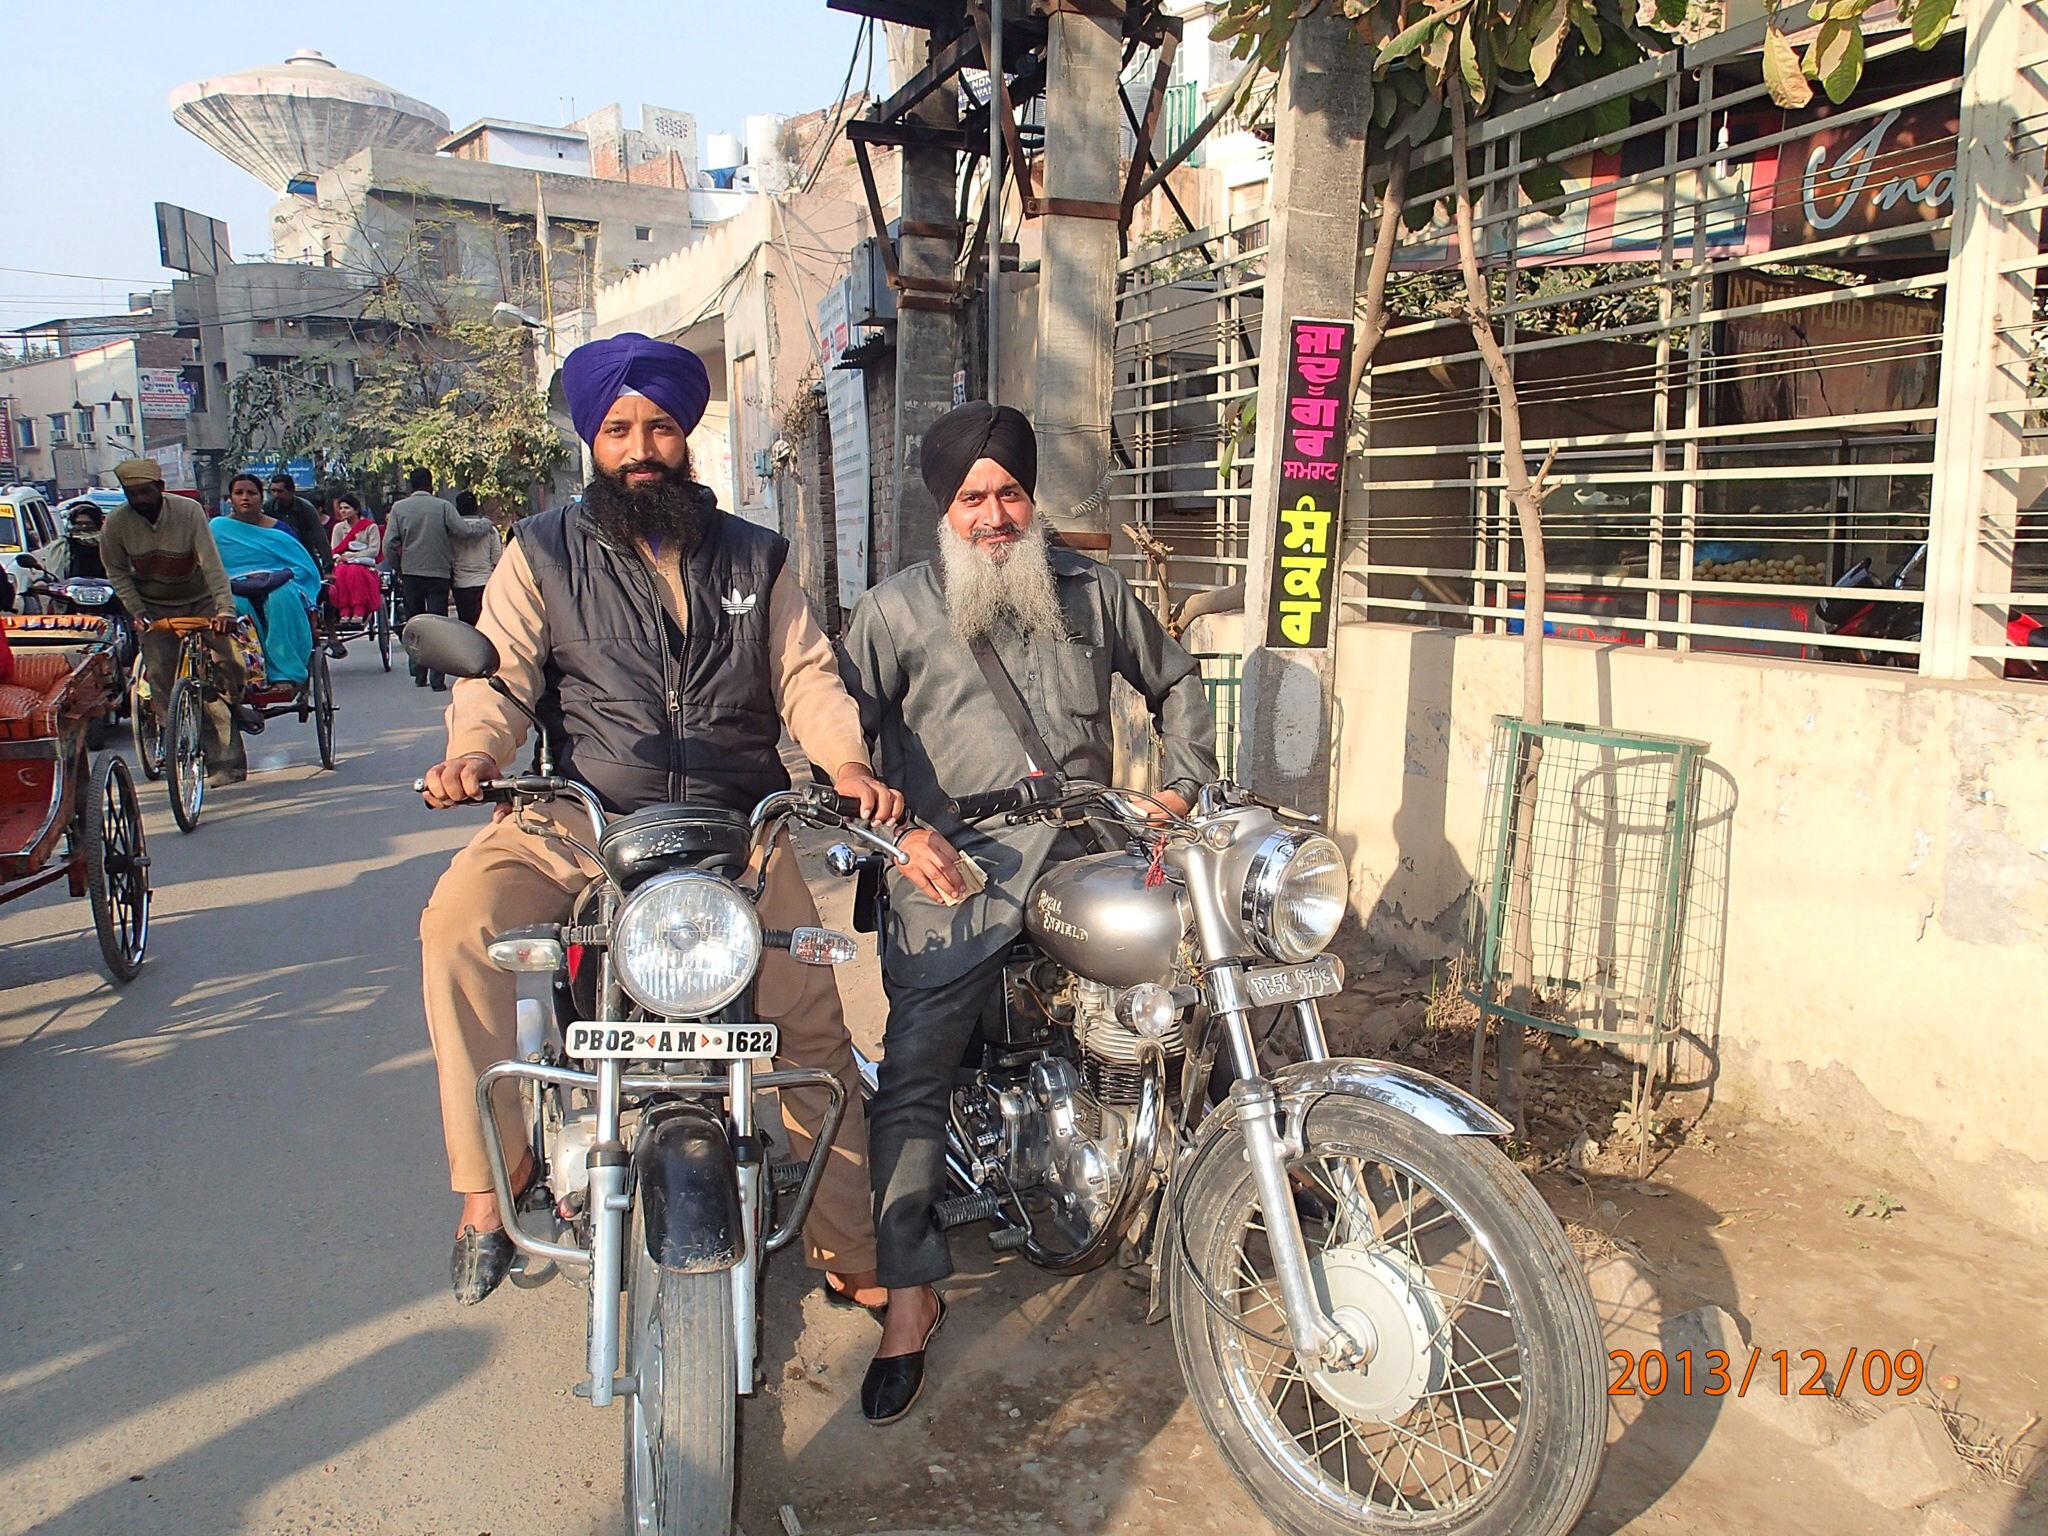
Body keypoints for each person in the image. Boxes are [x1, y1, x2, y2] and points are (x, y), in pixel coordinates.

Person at [416, 331, 905, 1312]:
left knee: (811, 1018)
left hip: (737, 827)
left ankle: (845, 1241)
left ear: (685, 435)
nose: (640, 448)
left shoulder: (756, 556)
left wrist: (845, 763)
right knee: (458, 924)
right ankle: (488, 1182)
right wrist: (476, 752)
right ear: (592, 442)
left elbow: (806, 675)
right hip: (582, 818)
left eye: (660, 428)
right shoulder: (540, 552)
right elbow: (501, 674)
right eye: (618, 430)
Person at [838, 401, 1218, 1424]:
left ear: (1030, 497)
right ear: (944, 510)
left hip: (1090, 849)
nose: (994, 515)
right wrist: (894, 832)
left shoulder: (1092, 590)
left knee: (1205, 984)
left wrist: (1180, 789)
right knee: (915, 1069)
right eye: (973, 498)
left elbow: (1176, 681)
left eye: (1009, 492)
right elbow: (838, 746)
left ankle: (1242, 1171)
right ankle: (910, 1296)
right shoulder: (891, 613)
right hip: (954, 870)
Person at [100, 457, 255, 784]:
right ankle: (172, 735)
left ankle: (235, 707)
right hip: (155, 607)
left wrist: (225, 611)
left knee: (228, 662)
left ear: (160, 487)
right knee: (160, 672)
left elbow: (211, 564)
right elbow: (117, 572)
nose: (139, 499)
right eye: (131, 493)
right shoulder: (116, 523)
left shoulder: (188, 511)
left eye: (145, 491)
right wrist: (137, 610)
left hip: (200, 599)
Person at [384, 468, 492, 690]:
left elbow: (389, 545)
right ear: (431, 484)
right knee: (438, 625)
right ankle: (437, 680)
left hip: (412, 573)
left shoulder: (399, 508)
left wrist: (400, 568)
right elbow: (464, 531)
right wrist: (485, 524)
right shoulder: (443, 506)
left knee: (415, 623)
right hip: (438, 574)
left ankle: (419, 673)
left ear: (411, 486)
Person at [212, 473, 321, 688]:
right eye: (239, 493)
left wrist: (270, 577)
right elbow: (210, 565)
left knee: (282, 597)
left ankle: (284, 672)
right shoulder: (216, 529)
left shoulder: (280, 530)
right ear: (230, 499)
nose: (245, 498)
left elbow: (301, 567)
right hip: (233, 585)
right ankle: (246, 671)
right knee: (233, 605)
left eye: (251, 493)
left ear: (261, 498)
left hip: (277, 583)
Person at [265, 474, 335, 579]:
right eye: (273, 491)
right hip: (278, 555)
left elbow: (320, 537)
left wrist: (328, 569)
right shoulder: (268, 508)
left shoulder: (306, 508)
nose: (276, 495)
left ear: (291, 491)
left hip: (305, 552)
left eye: (280, 491)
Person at [329, 491, 383, 622]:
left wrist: (353, 556)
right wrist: (339, 558)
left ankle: (359, 608)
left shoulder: (370, 527)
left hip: (363, 564)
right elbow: (334, 549)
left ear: (356, 510)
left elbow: (374, 550)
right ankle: (344, 609)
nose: (343, 511)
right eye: (341, 508)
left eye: (346, 508)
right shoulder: (338, 528)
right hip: (343, 563)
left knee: (355, 571)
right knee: (340, 572)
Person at [449, 488, 500, 626]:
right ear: (476, 508)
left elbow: (449, 558)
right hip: (485, 584)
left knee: (467, 628)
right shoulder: (491, 530)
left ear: (457, 509)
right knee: (486, 626)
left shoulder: (452, 532)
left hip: (461, 585)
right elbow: (497, 559)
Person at [31, 500, 109, 581]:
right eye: (79, 523)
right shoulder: (62, 546)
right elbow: (52, 573)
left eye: (89, 523)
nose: (84, 526)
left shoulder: (109, 544)